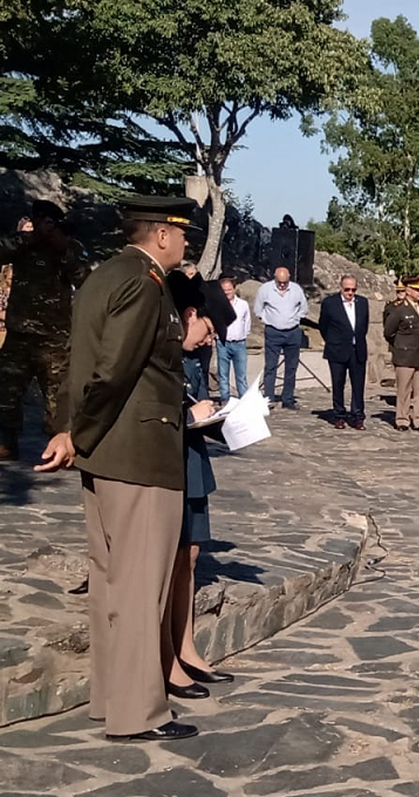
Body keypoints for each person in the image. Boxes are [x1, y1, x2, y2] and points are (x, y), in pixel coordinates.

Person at [36, 195, 201, 742]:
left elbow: (74, 362)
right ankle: (138, 713)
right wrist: (76, 433)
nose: (185, 243)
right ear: (160, 236)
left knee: (111, 584)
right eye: (181, 234)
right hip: (139, 455)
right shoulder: (144, 283)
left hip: (107, 454)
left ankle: (111, 700)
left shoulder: (103, 277)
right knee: (138, 588)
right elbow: (114, 371)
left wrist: (70, 429)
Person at [163, 271, 233, 702]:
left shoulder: (192, 355)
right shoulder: (165, 350)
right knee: (170, 558)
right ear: (191, 315)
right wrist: (191, 415)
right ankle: (168, 655)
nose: (211, 341)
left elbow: (194, 399)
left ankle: (186, 646)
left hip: (191, 457)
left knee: (190, 553)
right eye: (209, 330)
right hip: (167, 458)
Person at [0, 199, 89, 459]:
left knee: (58, 396)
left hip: (55, 336)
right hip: (19, 334)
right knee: (6, 392)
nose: (42, 227)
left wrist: (61, 249)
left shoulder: (67, 248)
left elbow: (84, 278)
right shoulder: (22, 246)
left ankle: (60, 443)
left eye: (47, 222)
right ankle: (5, 441)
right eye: (37, 221)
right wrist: (29, 239)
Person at [317, 275, 370, 431]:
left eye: (353, 289)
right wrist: (333, 341)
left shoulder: (362, 303)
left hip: (357, 350)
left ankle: (357, 416)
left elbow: (363, 326)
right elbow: (323, 326)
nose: (350, 293)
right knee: (338, 384)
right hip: (337, 350)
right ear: (341, 288)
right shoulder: (330, 303)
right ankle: (339, 415)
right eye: (347, 289)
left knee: (358, 386)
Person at [255, 266, 307, 409]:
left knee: (291, 367)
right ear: (275, 278)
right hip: (273, 332)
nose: (282, 285)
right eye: (280, 282)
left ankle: (288, 398)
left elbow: (304, 309)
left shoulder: (296, 289)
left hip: (293, 332)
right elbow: (258, 310)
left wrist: (295, 319)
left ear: (289, 278)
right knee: (271, 366)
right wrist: (268, 320)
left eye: (285, 282)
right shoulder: (265, 289)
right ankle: (269, 398)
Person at [384, 277, 419, 432]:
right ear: (408, 291)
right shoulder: (399, 310)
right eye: (417, 290)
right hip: (405, 356)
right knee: (404, 390)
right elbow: (389, 332)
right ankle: (402, 419)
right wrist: (400, 345)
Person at [215, 277, 251, 405]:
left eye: (229, 290)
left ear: (234, 289)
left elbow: (247, 323)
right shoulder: (217, 305)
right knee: (223, 374)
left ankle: (244, 399)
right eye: (224, 290)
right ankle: (225, 399)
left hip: (239, 343)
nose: (227, 292)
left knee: (241, 375)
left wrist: (243, 335)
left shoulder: (243, 305)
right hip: (223, 343)